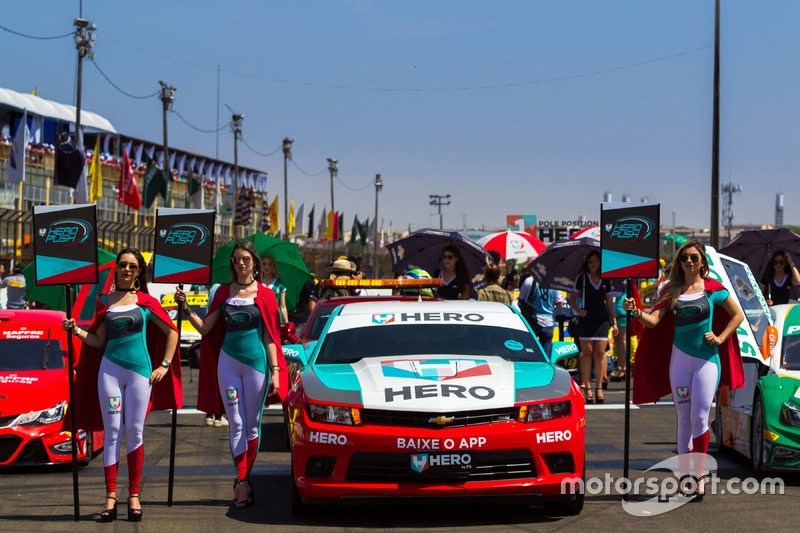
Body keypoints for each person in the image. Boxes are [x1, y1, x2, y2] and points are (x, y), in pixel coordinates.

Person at [62, 248, 182, 522]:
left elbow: (172, 331)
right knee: (113, 432)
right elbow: (98, 341)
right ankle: (111, 496)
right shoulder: (103, 301)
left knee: (135, 432)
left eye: (133, 266)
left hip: (140, 375)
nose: (127, 270)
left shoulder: (147, 302)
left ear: (139, 272)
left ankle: (134, 495)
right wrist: (77, 331)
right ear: (116, 269)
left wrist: (164, 365)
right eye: (123, 265)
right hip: (110, 374)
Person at [623, 240, 744, 501]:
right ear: (679, 262)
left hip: (706, 362)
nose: (689, 261)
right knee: (684, 419)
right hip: (678, 362)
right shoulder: (671, 289)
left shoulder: (713, 289)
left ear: (703, 262)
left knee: (700, 418)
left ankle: (698, 478)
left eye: (694, 257)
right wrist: (636, 312)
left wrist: (721, 337)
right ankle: (684, 479)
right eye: (684, 258)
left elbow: (738, 315)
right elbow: (654, 322)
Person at [175, 240, 287, 508]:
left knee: (251, 424)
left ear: (255, 264)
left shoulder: (266, 295)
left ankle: (244, 481)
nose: (241, 263)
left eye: (246, 259)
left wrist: (275, 371)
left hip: (256, 365)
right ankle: (242, 481)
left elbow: (271, 337)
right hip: (227, 363)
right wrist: (186, 307)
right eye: (236, 259)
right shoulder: (223, 292)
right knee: (235, 422)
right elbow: (204, 329)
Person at [567, 251, 618, 404]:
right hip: (586, 320)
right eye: (590, 261)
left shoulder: (606, 279)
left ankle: (599, 388)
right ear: (587, 263)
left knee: (600, 353)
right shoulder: (581, 279)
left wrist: (614, 321)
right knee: (587, 353)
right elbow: (572, 299)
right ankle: (587, 387)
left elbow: (609, 302)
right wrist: (578, 310)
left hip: (602, 320)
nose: (593, 264)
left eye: (596, 261)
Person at [518, 275, 565, 356]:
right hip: (548, 322)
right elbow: (559, 303)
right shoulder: (555, 283)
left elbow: (521, 300)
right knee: (545, 356)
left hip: (531, 322)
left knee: (528, 353)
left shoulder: (529, 281)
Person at [260, 252, 288, 323]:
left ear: (273, 265)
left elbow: (283, 306)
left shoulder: (280, 283)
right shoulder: (256, 282)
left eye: (270, 264)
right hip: (260, 318)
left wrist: (287, 323)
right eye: (264, 264)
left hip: (275, 319)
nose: (266, 267)